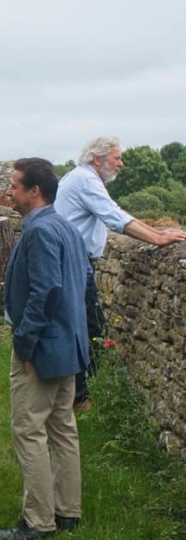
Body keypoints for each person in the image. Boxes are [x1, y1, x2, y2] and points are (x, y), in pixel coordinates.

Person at [0, 158, 90, 539]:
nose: (9, 192)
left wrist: (26, 343)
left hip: (43, 347)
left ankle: (38, 522)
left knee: (29, 431)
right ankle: (68, 511)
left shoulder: (40, 231)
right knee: (63, 427)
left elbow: (46, 291)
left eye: (15, 185)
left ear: (34, 191)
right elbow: (80, 282)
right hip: (68, 343)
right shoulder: (65, 227)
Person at [54, 136, 186, 410]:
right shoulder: (86, 180)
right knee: (91, 331)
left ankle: (74, 395)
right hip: (74, 266)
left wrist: (158, 232)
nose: (121, 164)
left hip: (70, 263)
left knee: (86, 328)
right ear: (98, 159)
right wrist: (159, 240)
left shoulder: (80, 178)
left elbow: (116, 213)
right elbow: (115, 218)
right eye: (117, 158)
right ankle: (78, 398)